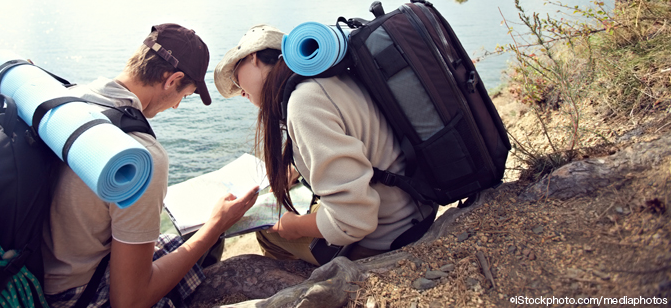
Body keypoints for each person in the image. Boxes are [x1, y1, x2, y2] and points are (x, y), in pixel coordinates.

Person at [42, 23, 259, 308]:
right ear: (172, 80)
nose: (177, 106)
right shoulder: (140, 156)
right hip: (75, 295)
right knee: (206, 237)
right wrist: (217, 225)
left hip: (35, 274)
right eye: (185, 95)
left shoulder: (69, 98)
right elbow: (129, 302)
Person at [213, 25, 436, 266]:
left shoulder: (303, 103)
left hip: (389, 236)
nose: (240, 92)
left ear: (253, 57)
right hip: (416, 207)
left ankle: (299, 281)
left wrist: (294, 226)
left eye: (236, 78)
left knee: (268, 233)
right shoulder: (325, 79)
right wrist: (297, 169)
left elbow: (352, 222)